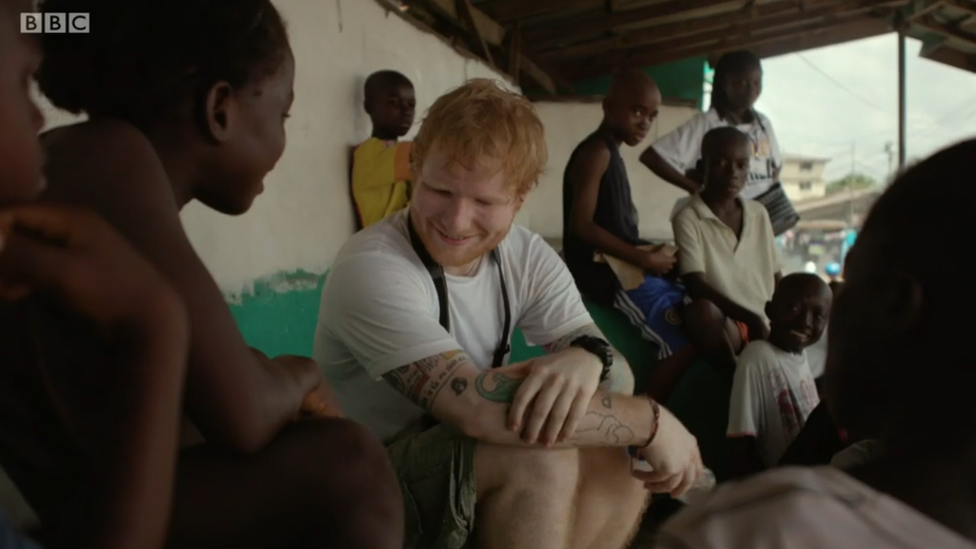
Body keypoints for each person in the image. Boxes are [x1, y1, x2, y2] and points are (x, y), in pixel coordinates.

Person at [0, 1, 404, 548]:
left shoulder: (95, 163)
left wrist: (267, 376)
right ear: (219, 109)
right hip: (88, 519)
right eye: (283, 115)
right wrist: (303, 372)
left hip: (103, 506)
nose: (283, 140)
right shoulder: (110, 157)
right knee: (350, 465)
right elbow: (245, 414)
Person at [314, 78, 703, 549]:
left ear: (520, 197)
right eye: (439, 190)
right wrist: (652, 422)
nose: (456, 220)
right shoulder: (372, 266)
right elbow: (476, 409)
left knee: (616, 450)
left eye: (484, 201)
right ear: (415, 170)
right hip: (361, 491)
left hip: (452, 468)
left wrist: (585, 356)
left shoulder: (526, 256)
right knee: (538, 451)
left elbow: (615, 375)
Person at [654, 139, 976, 549]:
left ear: (892, 305)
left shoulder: (744, 531)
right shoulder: (761, 358)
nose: (813, 320)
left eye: (848, 280)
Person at [0, 4, 187, 547]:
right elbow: (244, 414)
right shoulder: (112, 154)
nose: (39, 119)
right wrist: (158, 323)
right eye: (22, 81)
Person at [562, 69, 692, 402]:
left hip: (622, 264)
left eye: (652, 115)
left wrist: (650, 253)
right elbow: (581, 226)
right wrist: (644, 259)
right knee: (680, 344)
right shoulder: (597, 152)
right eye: (637, 111)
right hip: (604, 274)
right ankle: (640, 425)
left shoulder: (611, 152)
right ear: (608, 106)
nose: (645, 122)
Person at [673, 127, 783, 379]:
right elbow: (695, 284)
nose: (733, 173)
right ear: (702, 167)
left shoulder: (758, 213)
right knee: (700, 312)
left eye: (742, 165)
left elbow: (776, 274)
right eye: (721, 163)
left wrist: (776, 320)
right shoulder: (688, 218)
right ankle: (735, 380)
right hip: (730, 323)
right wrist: (750, 319)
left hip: (765, 320)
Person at [640, 50, 782, 205]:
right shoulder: (707, 123)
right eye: (743, 83)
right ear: (725, 84)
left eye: (756, 82)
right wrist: (696, 189)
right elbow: (652, 157)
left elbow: (776, 165)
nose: (751, 90)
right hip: (727, 212)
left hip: (766, 209)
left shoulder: (763, 123)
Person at [727, 273, 830, 479]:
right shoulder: (757, 356)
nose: (805, 322)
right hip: (787, 481)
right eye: (793, 308)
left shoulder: (801, 356)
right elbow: (740, 446)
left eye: (818, 315)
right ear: (769, 310)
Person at [351, 70, 416, 229]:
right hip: (380, 241)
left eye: (411, 105)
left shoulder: (396, 152)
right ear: (369, 107)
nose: (406, 111)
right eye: (394, 103)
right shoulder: (368, 154)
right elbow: (423, 152)